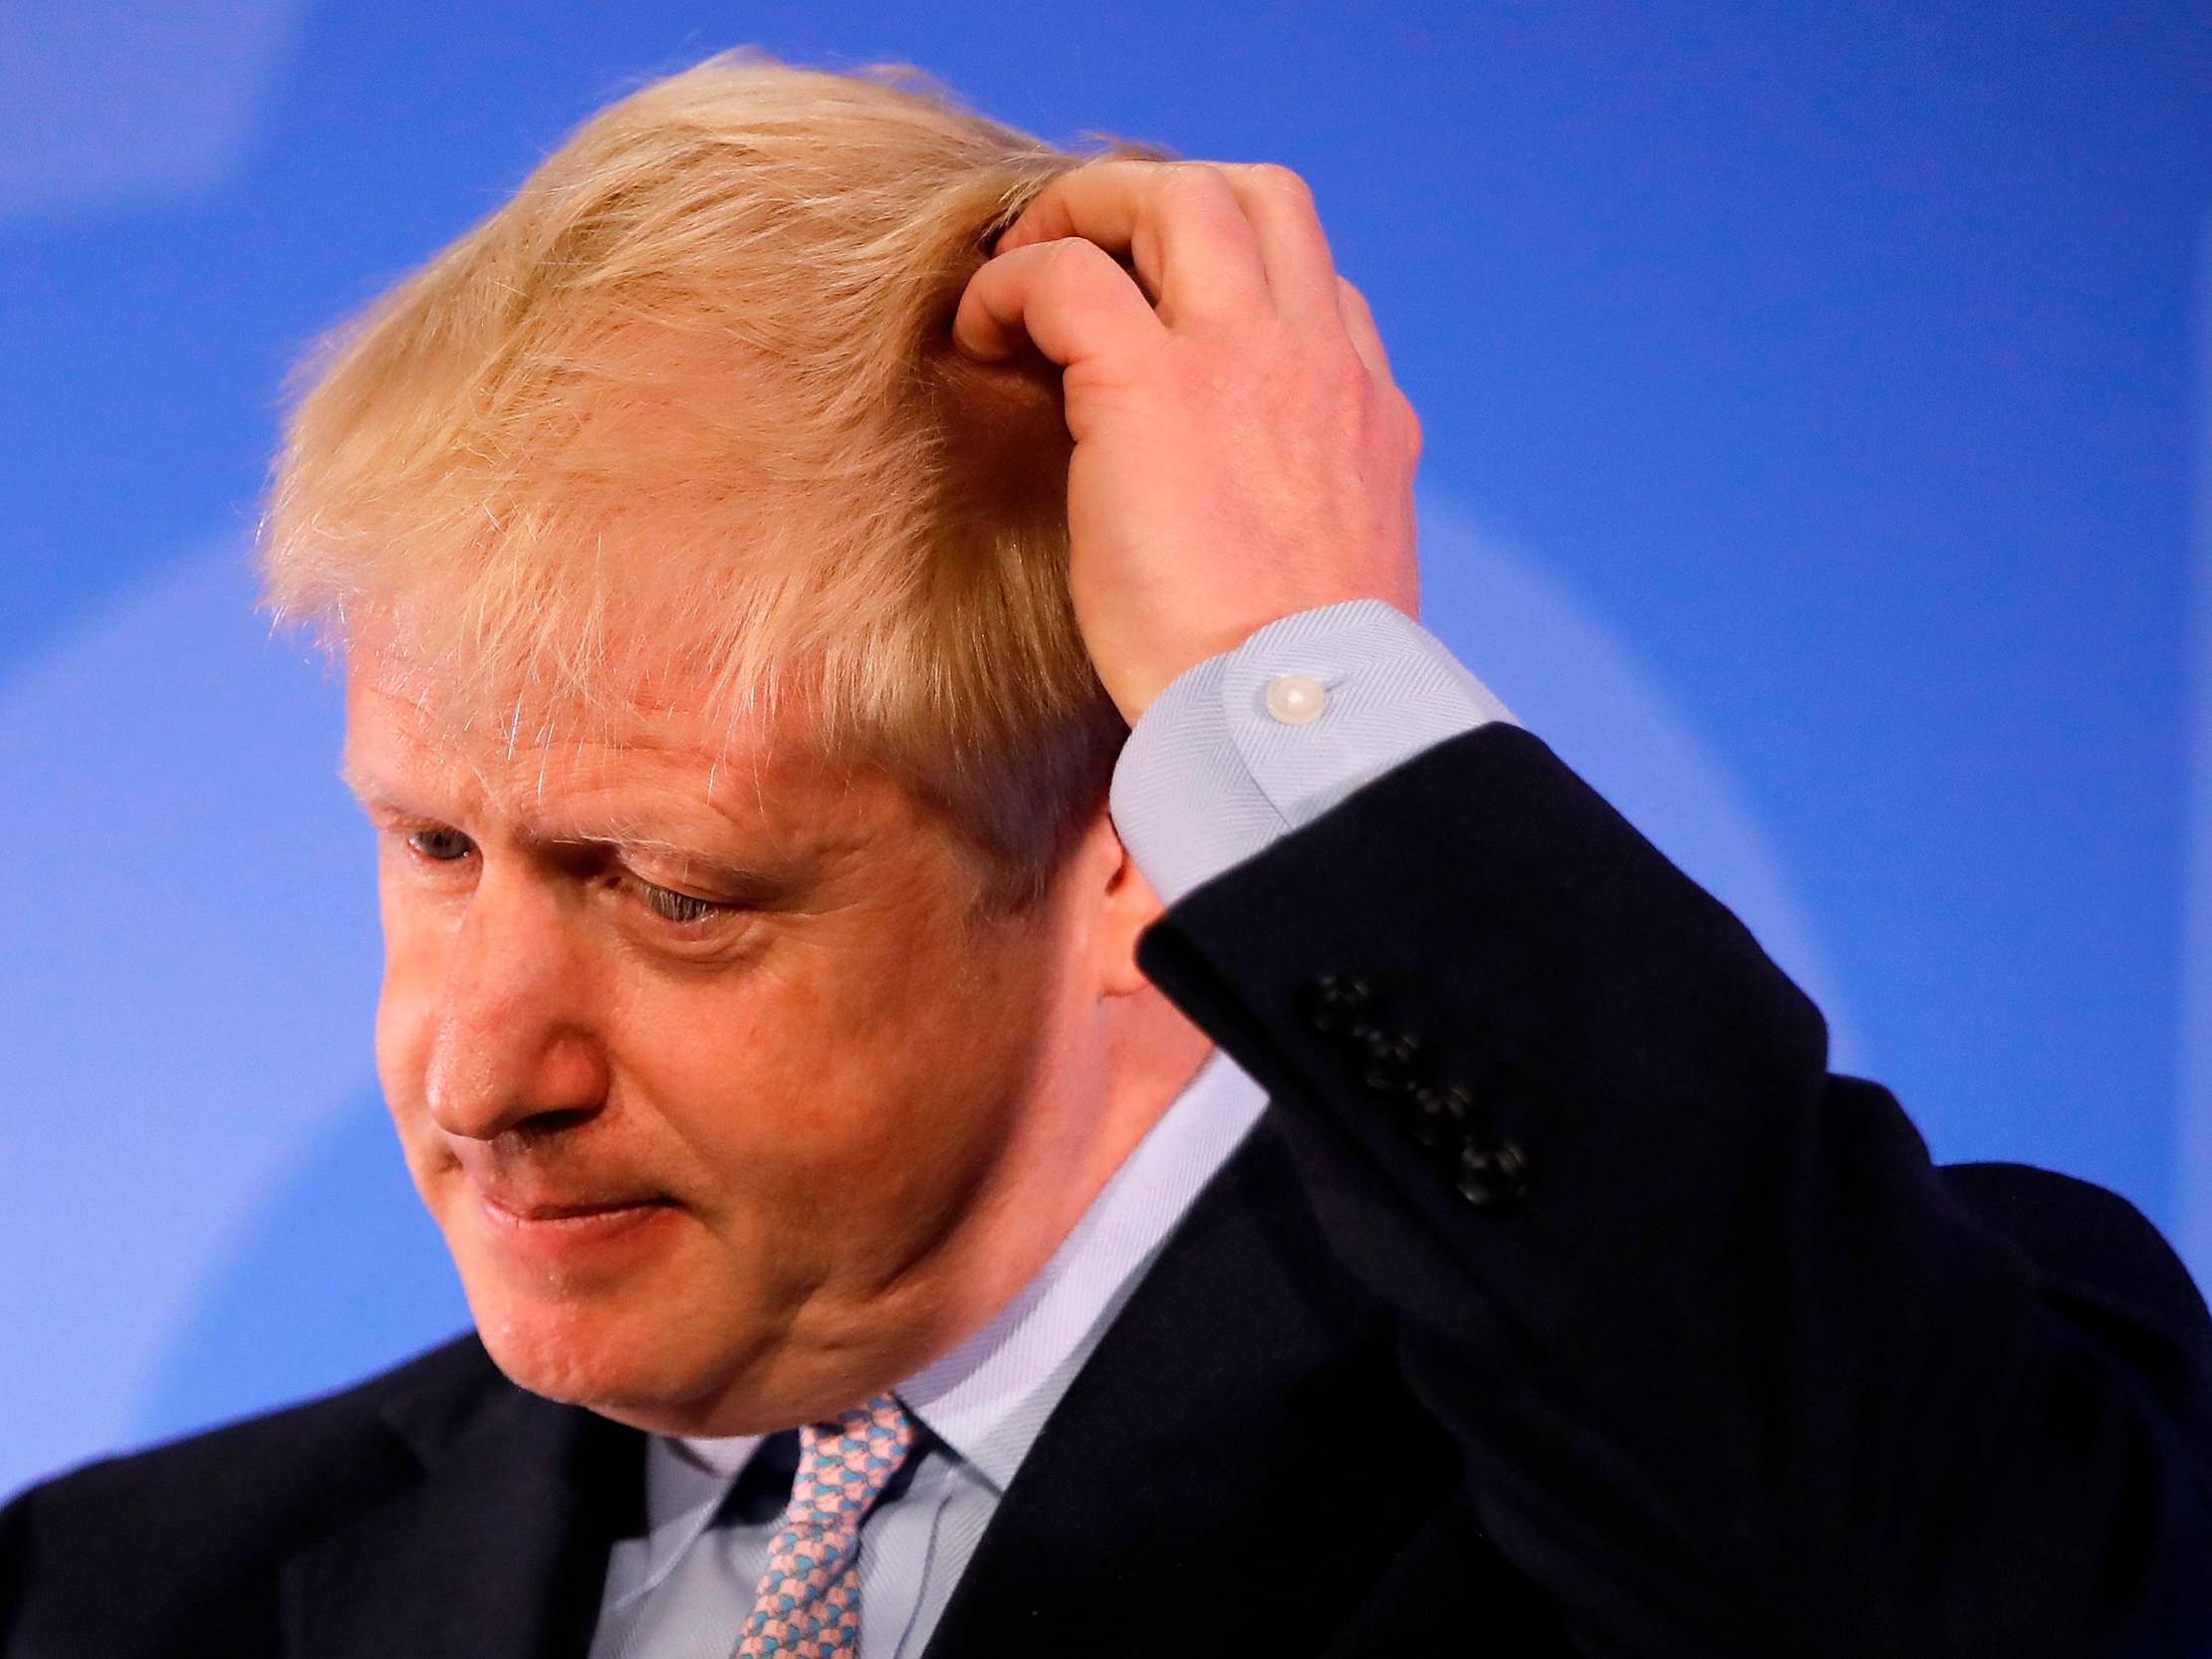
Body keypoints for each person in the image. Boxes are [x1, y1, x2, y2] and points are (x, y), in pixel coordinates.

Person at [4, 47, 2209, 1659]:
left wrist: (1287, 681)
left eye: (677, 891)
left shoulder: (1804, 1439)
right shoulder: (108, 1593)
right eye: (431, 841)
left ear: (1144, 839)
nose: (479, 1069)